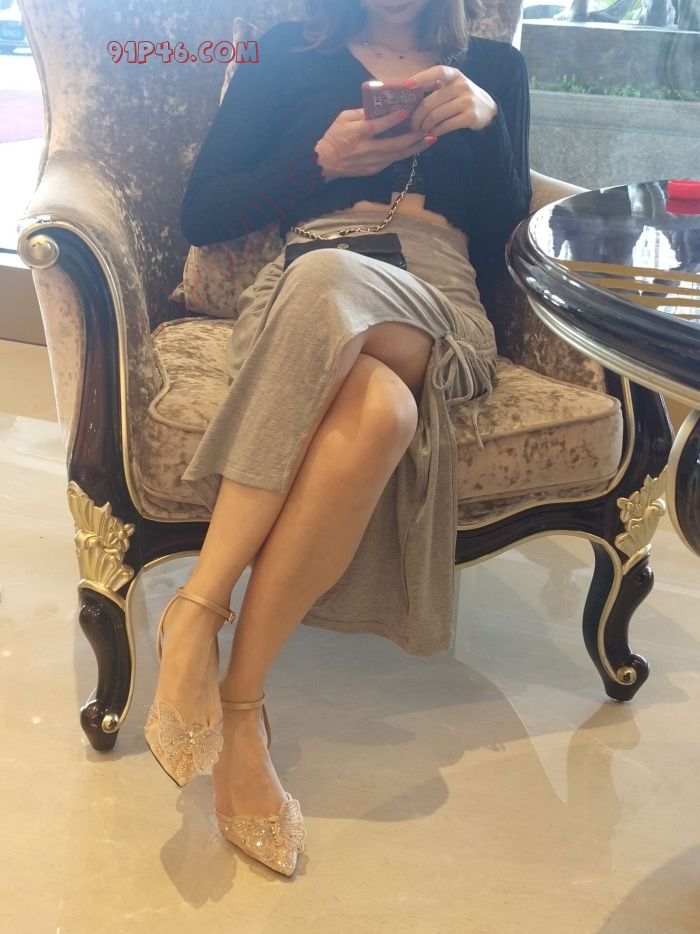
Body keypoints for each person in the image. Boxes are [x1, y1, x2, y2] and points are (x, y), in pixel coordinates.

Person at [144, 0, 531, 877]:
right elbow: (203, 212)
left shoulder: (495, 70)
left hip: (435, 296)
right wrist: (316, 163)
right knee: (382, 411)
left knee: (330, 286)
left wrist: (489, 121)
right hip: (303, 283)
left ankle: (196, 608)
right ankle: (241, 709)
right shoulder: (285, 51)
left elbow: (507, 232)